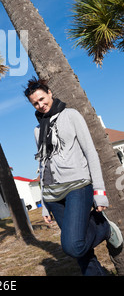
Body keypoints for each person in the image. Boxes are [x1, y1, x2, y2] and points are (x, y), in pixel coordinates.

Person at [24, 77, 123, 276]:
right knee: (82, 254)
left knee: (73, 246)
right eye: (35, 103)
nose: (41, 105)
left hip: (77, 186)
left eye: (43, 99)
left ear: (50, 92)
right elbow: (43, 165)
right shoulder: (37, 130)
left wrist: (100, 191)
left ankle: (103, 227)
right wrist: (44, 202)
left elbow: (90, 152)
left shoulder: (71, 115)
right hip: (53, 195)